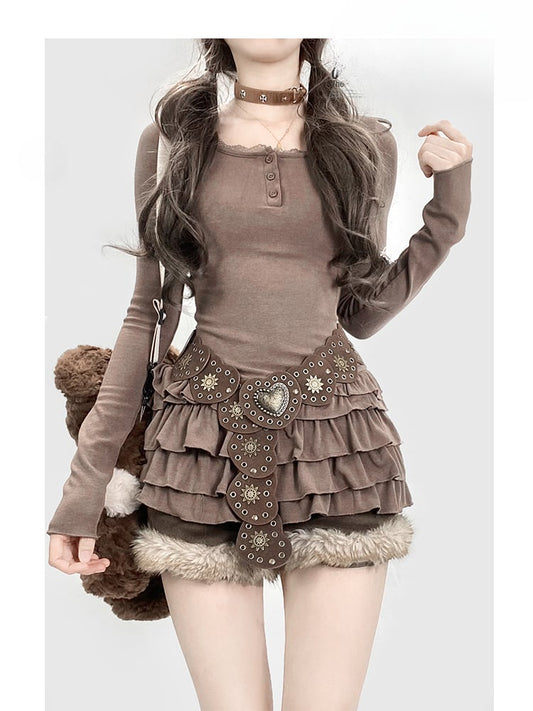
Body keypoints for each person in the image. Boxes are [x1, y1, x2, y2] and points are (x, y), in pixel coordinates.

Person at [47, 38, 473, 710]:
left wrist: (446, 213)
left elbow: (361, 310)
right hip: (198, 454)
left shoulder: (365, 145)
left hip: (338, 448)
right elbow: (146, 313)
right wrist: (84, 489)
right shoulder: (171, 141)